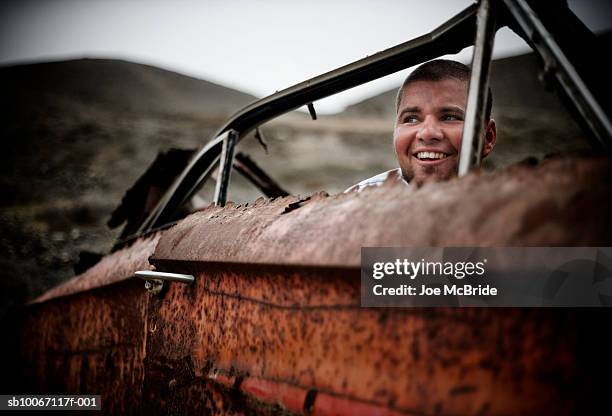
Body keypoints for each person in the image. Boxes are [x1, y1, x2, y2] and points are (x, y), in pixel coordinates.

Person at [346, 59, 496, 192]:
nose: (427, 133)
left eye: (450, 117)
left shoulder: (513, 206)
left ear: (488, 137)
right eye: (411, 119)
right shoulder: (353, 203)